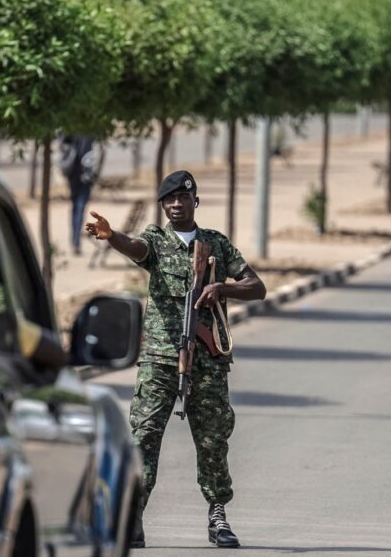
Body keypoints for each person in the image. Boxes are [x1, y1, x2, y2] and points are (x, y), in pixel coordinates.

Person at [85, 171, 267, 549]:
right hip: (160, 359)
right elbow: (137, 249)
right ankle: (133, 516)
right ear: (163, 205)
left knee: (213, 439)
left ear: (194, 201)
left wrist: (223, 287)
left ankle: (218, 514)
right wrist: (112, 236)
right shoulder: (157, 240)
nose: (176, 204)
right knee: (144, 436)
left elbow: (257, 287)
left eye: (183, 198)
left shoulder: (215, 243)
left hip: (208, 361)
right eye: (169, 199)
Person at [59, 135, 102, 255]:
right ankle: (76, 241)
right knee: (80, 207)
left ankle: (74, 240)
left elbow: (61, 142)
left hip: (72, 173)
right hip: (84, 176)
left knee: (75, 207)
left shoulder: (71, 129)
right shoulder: (88, 131)